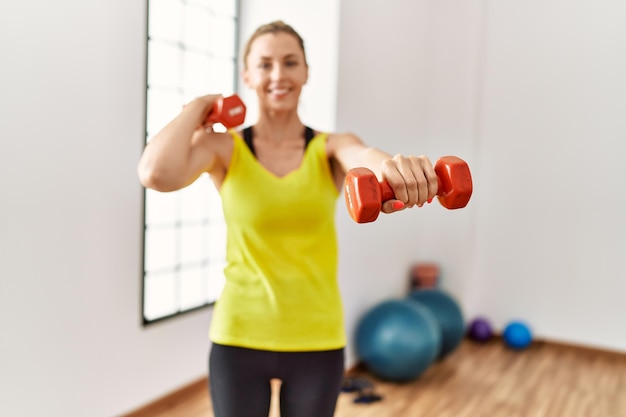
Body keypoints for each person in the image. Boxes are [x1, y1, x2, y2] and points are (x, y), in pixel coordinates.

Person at [137, 20, 438, 417]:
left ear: (306, 72)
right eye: (264, 65)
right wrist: (196, 110)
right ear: (247, 75)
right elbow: (155, 173)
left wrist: (394, 169)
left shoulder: (330, 147)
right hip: (239, 334)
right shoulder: (224, 149)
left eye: (290, 62)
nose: (278, 75)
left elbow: (365, 159)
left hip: (316, 338)